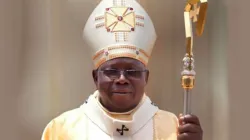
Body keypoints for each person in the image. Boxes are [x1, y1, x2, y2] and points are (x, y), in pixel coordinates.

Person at [41, 0, 203, 140]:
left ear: (146, 77)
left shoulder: (171, 128)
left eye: (132, 71)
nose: (122, 79)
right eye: (111, 71)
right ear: (95, 77)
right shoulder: (63, 130)